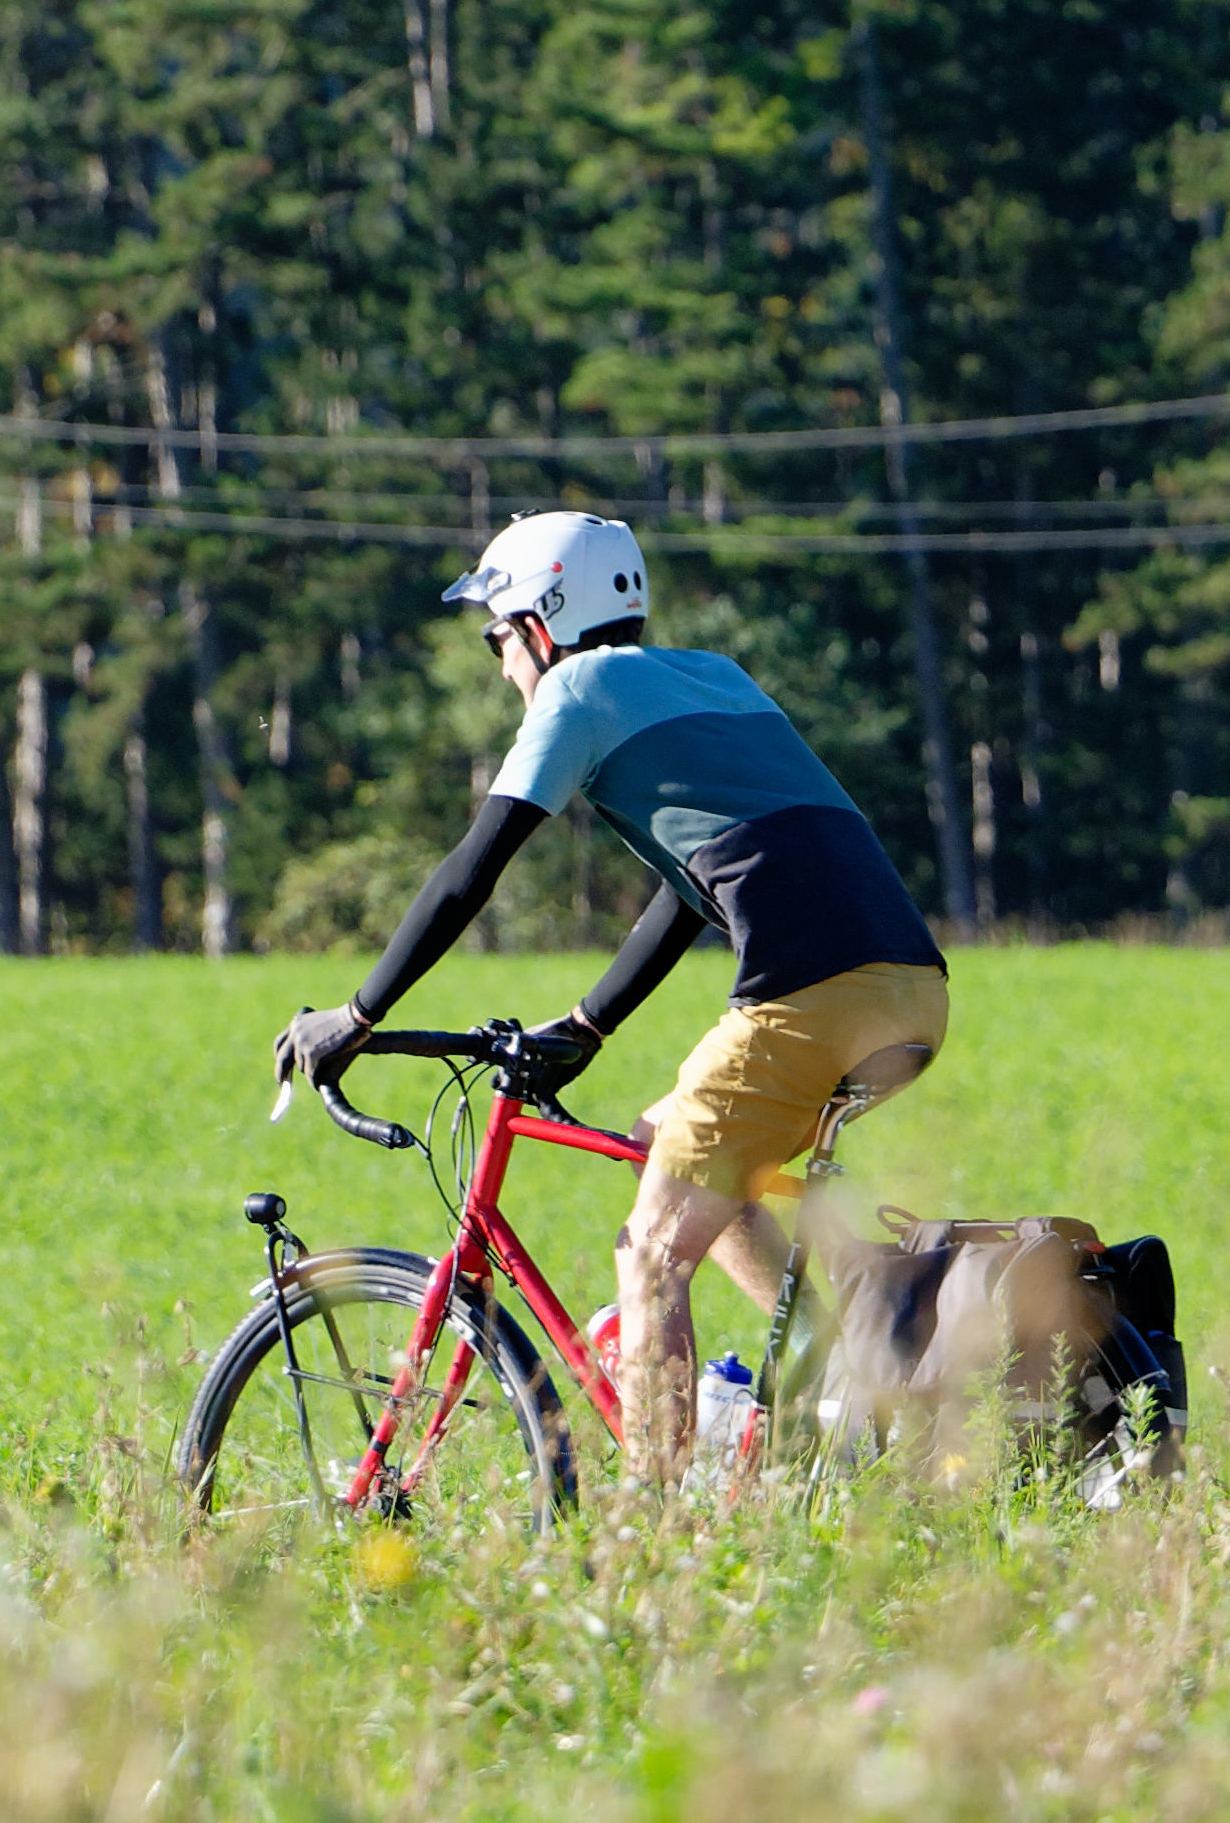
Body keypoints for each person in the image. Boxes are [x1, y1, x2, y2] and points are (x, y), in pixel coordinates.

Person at [284, 505, 951, 1485]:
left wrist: (355, 1015)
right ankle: (842, 1366)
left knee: (649, 1256)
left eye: (495, 638)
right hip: (912, 989)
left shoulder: (575, 689)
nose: (500, 666)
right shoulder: (716, 677)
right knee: (661, 1137)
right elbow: (692, 889)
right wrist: (587, 1025)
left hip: (808, 998)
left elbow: (473, 868)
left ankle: (655, 1528)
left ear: (537, 622)